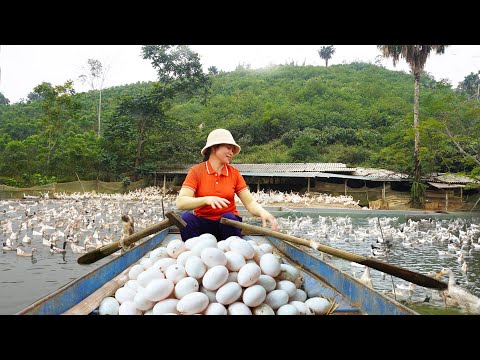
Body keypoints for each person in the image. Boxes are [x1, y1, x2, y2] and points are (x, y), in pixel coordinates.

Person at [176, 128, 278, 241]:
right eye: (228, 148)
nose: (231, 153)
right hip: (203, 224)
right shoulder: (196, 171)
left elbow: (249, 202)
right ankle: (195, 250)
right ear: (214, 147)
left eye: (233, 150)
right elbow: (181, 202)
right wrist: (206, 199)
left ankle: (230, 249)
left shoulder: (234, 173)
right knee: (186, 218)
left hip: (226, 224)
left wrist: (263, 213)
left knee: (229, 217)